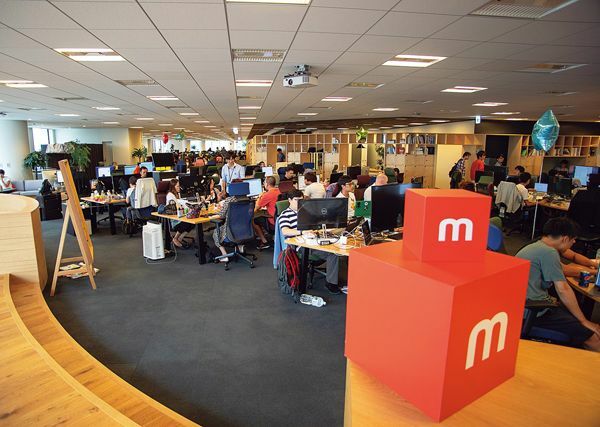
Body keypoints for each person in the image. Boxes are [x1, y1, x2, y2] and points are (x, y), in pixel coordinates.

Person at [516, 218, 600, 351]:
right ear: (565, 238)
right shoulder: (548, 252)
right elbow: (563, 289)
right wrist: (584, 321)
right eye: (573, 239)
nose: (574, 242)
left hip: (524, 306)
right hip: (533, 311)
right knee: (593, 336)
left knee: (577, 317)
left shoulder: (538, 246)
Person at [279, 189, 341, 294]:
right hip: (300, 246)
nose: (299, 202)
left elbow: (317, 224)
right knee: (332, 254)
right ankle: (331, 283)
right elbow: (285, 231)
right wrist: (302, 232)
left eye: (301, 200)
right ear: (289, 200)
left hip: (313, 240)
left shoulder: (306, 212)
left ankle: (331, 280)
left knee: (335, 248)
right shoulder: (285, 214)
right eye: (296, 200)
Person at [253, 176, 280, 250]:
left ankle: (264, 241)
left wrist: (259, 197)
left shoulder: (267, 195)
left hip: (273, 221)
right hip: (279, 219)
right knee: (261, 215)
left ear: (267, 184)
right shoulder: (279, 191)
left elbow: (256, 209)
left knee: (254, 220)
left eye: (264, 183)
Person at [166, 179, 194, 248]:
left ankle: (180, 238)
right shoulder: (170, 195)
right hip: (175, 219)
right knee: (187, 222)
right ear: (173, 187)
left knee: (193, 223)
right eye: (178, 186)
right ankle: (175, 238)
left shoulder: (178, 194)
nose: (179, 188)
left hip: (181, 215)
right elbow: (174, 208)